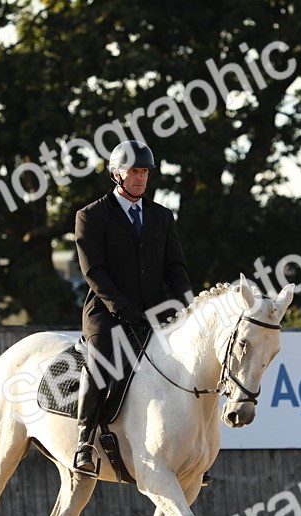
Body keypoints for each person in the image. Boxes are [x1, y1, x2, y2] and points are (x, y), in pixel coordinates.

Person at [72, 140, 194, 477]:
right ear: (117, 174)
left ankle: (190, 450)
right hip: (107, 312)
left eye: (145, 172)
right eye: (134, 172)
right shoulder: (91, 216)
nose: (140, 178)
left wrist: (189, 302)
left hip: (154, 313)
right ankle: (84, 440)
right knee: (100, 361)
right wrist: (123, 308)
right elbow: (94, 271)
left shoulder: (162, 216)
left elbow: (175, 267)